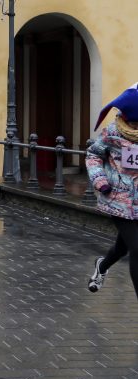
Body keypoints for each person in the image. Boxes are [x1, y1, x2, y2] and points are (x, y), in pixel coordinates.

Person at [86, 82, 138, 298]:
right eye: (134, 122)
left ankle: (102, 265)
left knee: (123, 247)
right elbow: (93, 155)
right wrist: (100, 182)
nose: (135, 127)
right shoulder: (112, 132)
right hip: (118, 198)